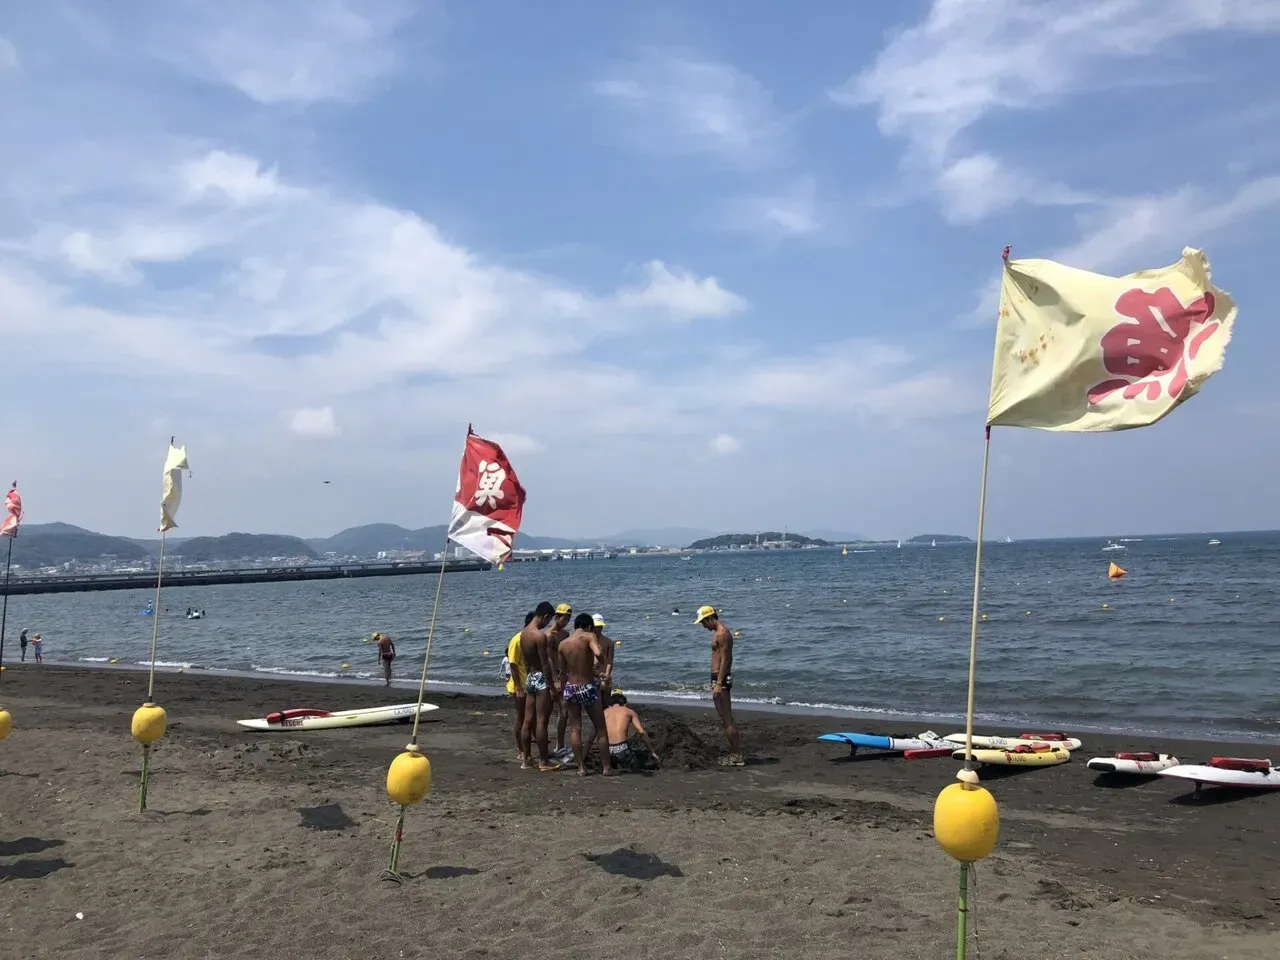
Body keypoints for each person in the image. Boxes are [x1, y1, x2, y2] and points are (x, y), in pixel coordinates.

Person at [557, 613, 614, 777]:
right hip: (587, 686)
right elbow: (598, 654)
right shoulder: (589, 636)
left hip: (571, 687)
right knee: (600, 728)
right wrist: (600, 661)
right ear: (589, 626)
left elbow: (562, 672)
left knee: (575, 729)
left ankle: (581, 768)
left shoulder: (563, 644)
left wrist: (562, 693)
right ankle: (606, 768)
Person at [695, 605, 742, 766]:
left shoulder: (722, 634)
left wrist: (719, 683)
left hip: (721, 679)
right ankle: (734, 752)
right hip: (717, 678)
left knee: (727, 718)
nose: (703, 626)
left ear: (710, 618)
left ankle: (736, 755)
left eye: (703, 622)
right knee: (724, 717)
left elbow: (726, 660)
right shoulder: (718, 633)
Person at [519, 601, 560, 771]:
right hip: (541, 678)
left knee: (528, 720)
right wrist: (551, 687)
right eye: (547, 621)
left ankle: (526, 758)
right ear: (545, 616)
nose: (547, 624)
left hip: (530, 677)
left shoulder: (523, 634)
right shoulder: (539, 636)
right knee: (542, 721)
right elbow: (544, 664)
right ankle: (544, 761)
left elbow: (527, 661)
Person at [604, 690, 659, 771]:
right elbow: (641, 732)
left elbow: (592, 737)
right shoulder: (629, 711)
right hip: (622, 750)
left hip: (608, 752)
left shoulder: (604, 712)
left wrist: (583, 758)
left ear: (609, 704)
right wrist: (652, 751)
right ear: (625, 704)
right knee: (644, 759)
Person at [503, 612, 533, 761]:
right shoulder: (517, 640)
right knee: (521, 718)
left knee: (530, 719)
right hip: (518, 686)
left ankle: (528, 750)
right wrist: (519, 688)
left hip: (529, 684)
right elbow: (512, 664)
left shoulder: (530, 639)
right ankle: (521, 750)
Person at [547, 603, 574, 761]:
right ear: (556, 617)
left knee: (565, 712)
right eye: (564, 618)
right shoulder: (550, 635)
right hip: (555, 676)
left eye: (569, 619)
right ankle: (559, 746)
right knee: (562, 711)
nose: (566, 621)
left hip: (565, 674)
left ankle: (561, 745)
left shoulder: (566, 634)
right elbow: (549, 659)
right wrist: (555, 680)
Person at [590, 614, 615, 691]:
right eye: (596, 627)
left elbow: (610, 660)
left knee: (606, 700)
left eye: (600, 627)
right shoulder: (587, 641)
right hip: (592, 675)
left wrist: (607, 674)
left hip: (605, 675)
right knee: (597, 700)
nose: (598, 629)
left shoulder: (608, 642)